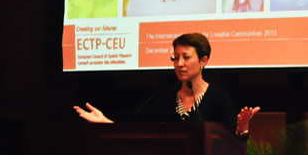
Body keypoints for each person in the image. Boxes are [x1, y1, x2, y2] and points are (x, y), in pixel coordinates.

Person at [74, 33, 260, 137]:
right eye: (175, 58)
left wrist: (242, 129)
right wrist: (106, 123)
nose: (179, 64)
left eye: (186, 57)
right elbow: (141, 134)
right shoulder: (163, 97)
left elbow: (233, 143)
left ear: (203, 61)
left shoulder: (218, 98)